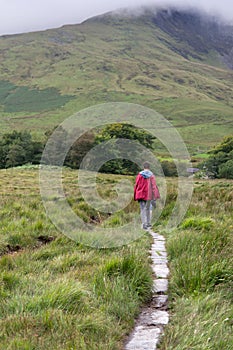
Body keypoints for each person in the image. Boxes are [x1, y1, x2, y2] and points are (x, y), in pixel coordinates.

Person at [134, 161, 160, 230]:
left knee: (142, 209)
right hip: (149, 195)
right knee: (148, 209)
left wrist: (135, 195)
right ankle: (148, 223)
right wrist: (155, 196)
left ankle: (144, 224)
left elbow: (136, 185)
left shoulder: (139, 175)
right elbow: (154, 187)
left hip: (140, 194)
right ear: (149, 167)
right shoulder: (152, 176)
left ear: (144, 167)